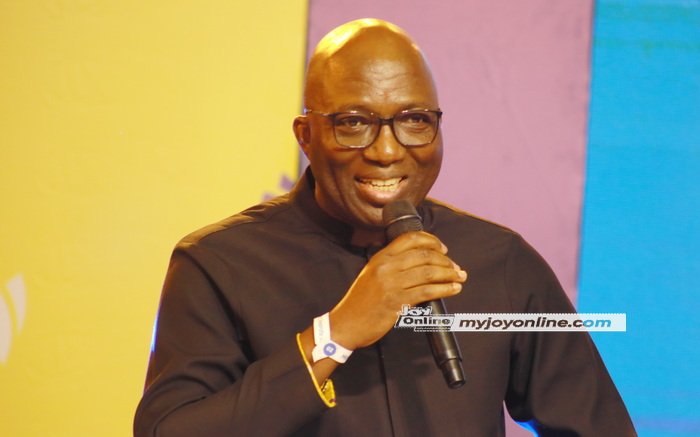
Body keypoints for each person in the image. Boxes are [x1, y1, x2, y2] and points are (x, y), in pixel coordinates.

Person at [134, 18, 636, 436]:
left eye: (415, 120)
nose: (388, 150)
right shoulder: (219, 264)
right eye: (354, 123)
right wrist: (336, 334)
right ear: (306, 136)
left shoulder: (501, 261)